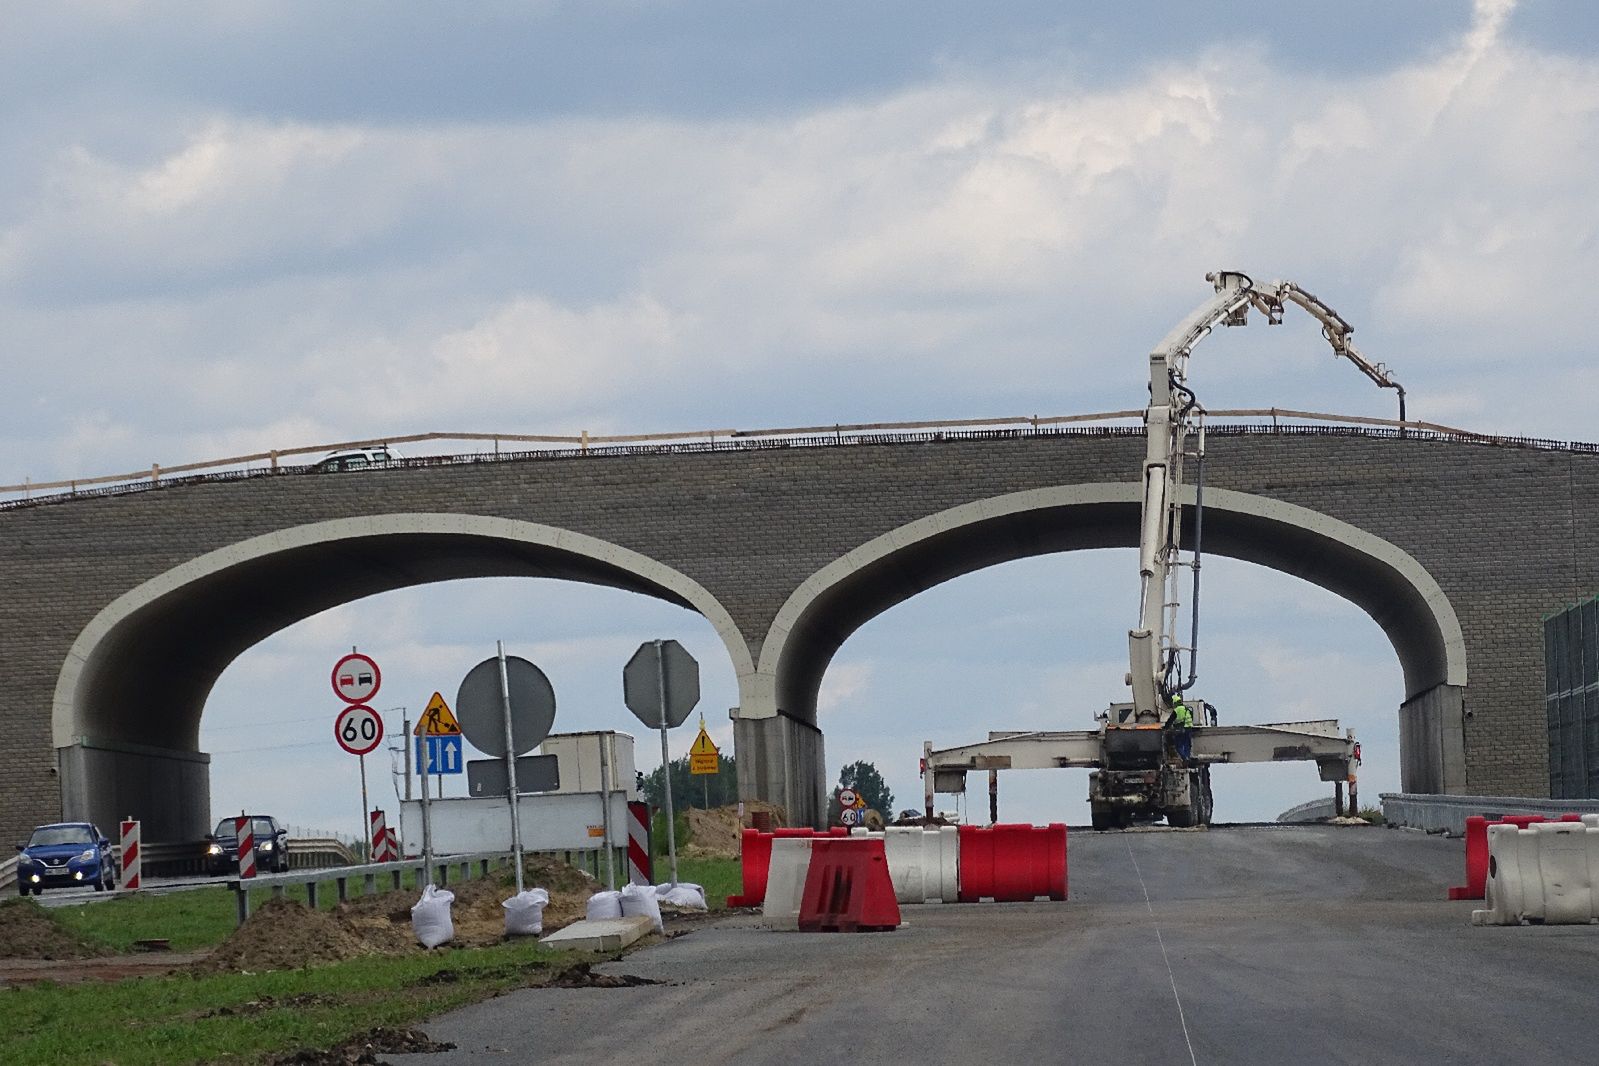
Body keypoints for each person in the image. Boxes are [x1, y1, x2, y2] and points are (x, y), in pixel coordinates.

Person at [1171, 695, 1194, 762]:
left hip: (1180, 730)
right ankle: (1187, 757)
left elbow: (1170, 720)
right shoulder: (1186, 709)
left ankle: (1184, 758)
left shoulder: (1176, 710)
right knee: (1187, 744)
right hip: (1189, 729)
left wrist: (1166, 727)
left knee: (1179, 745)